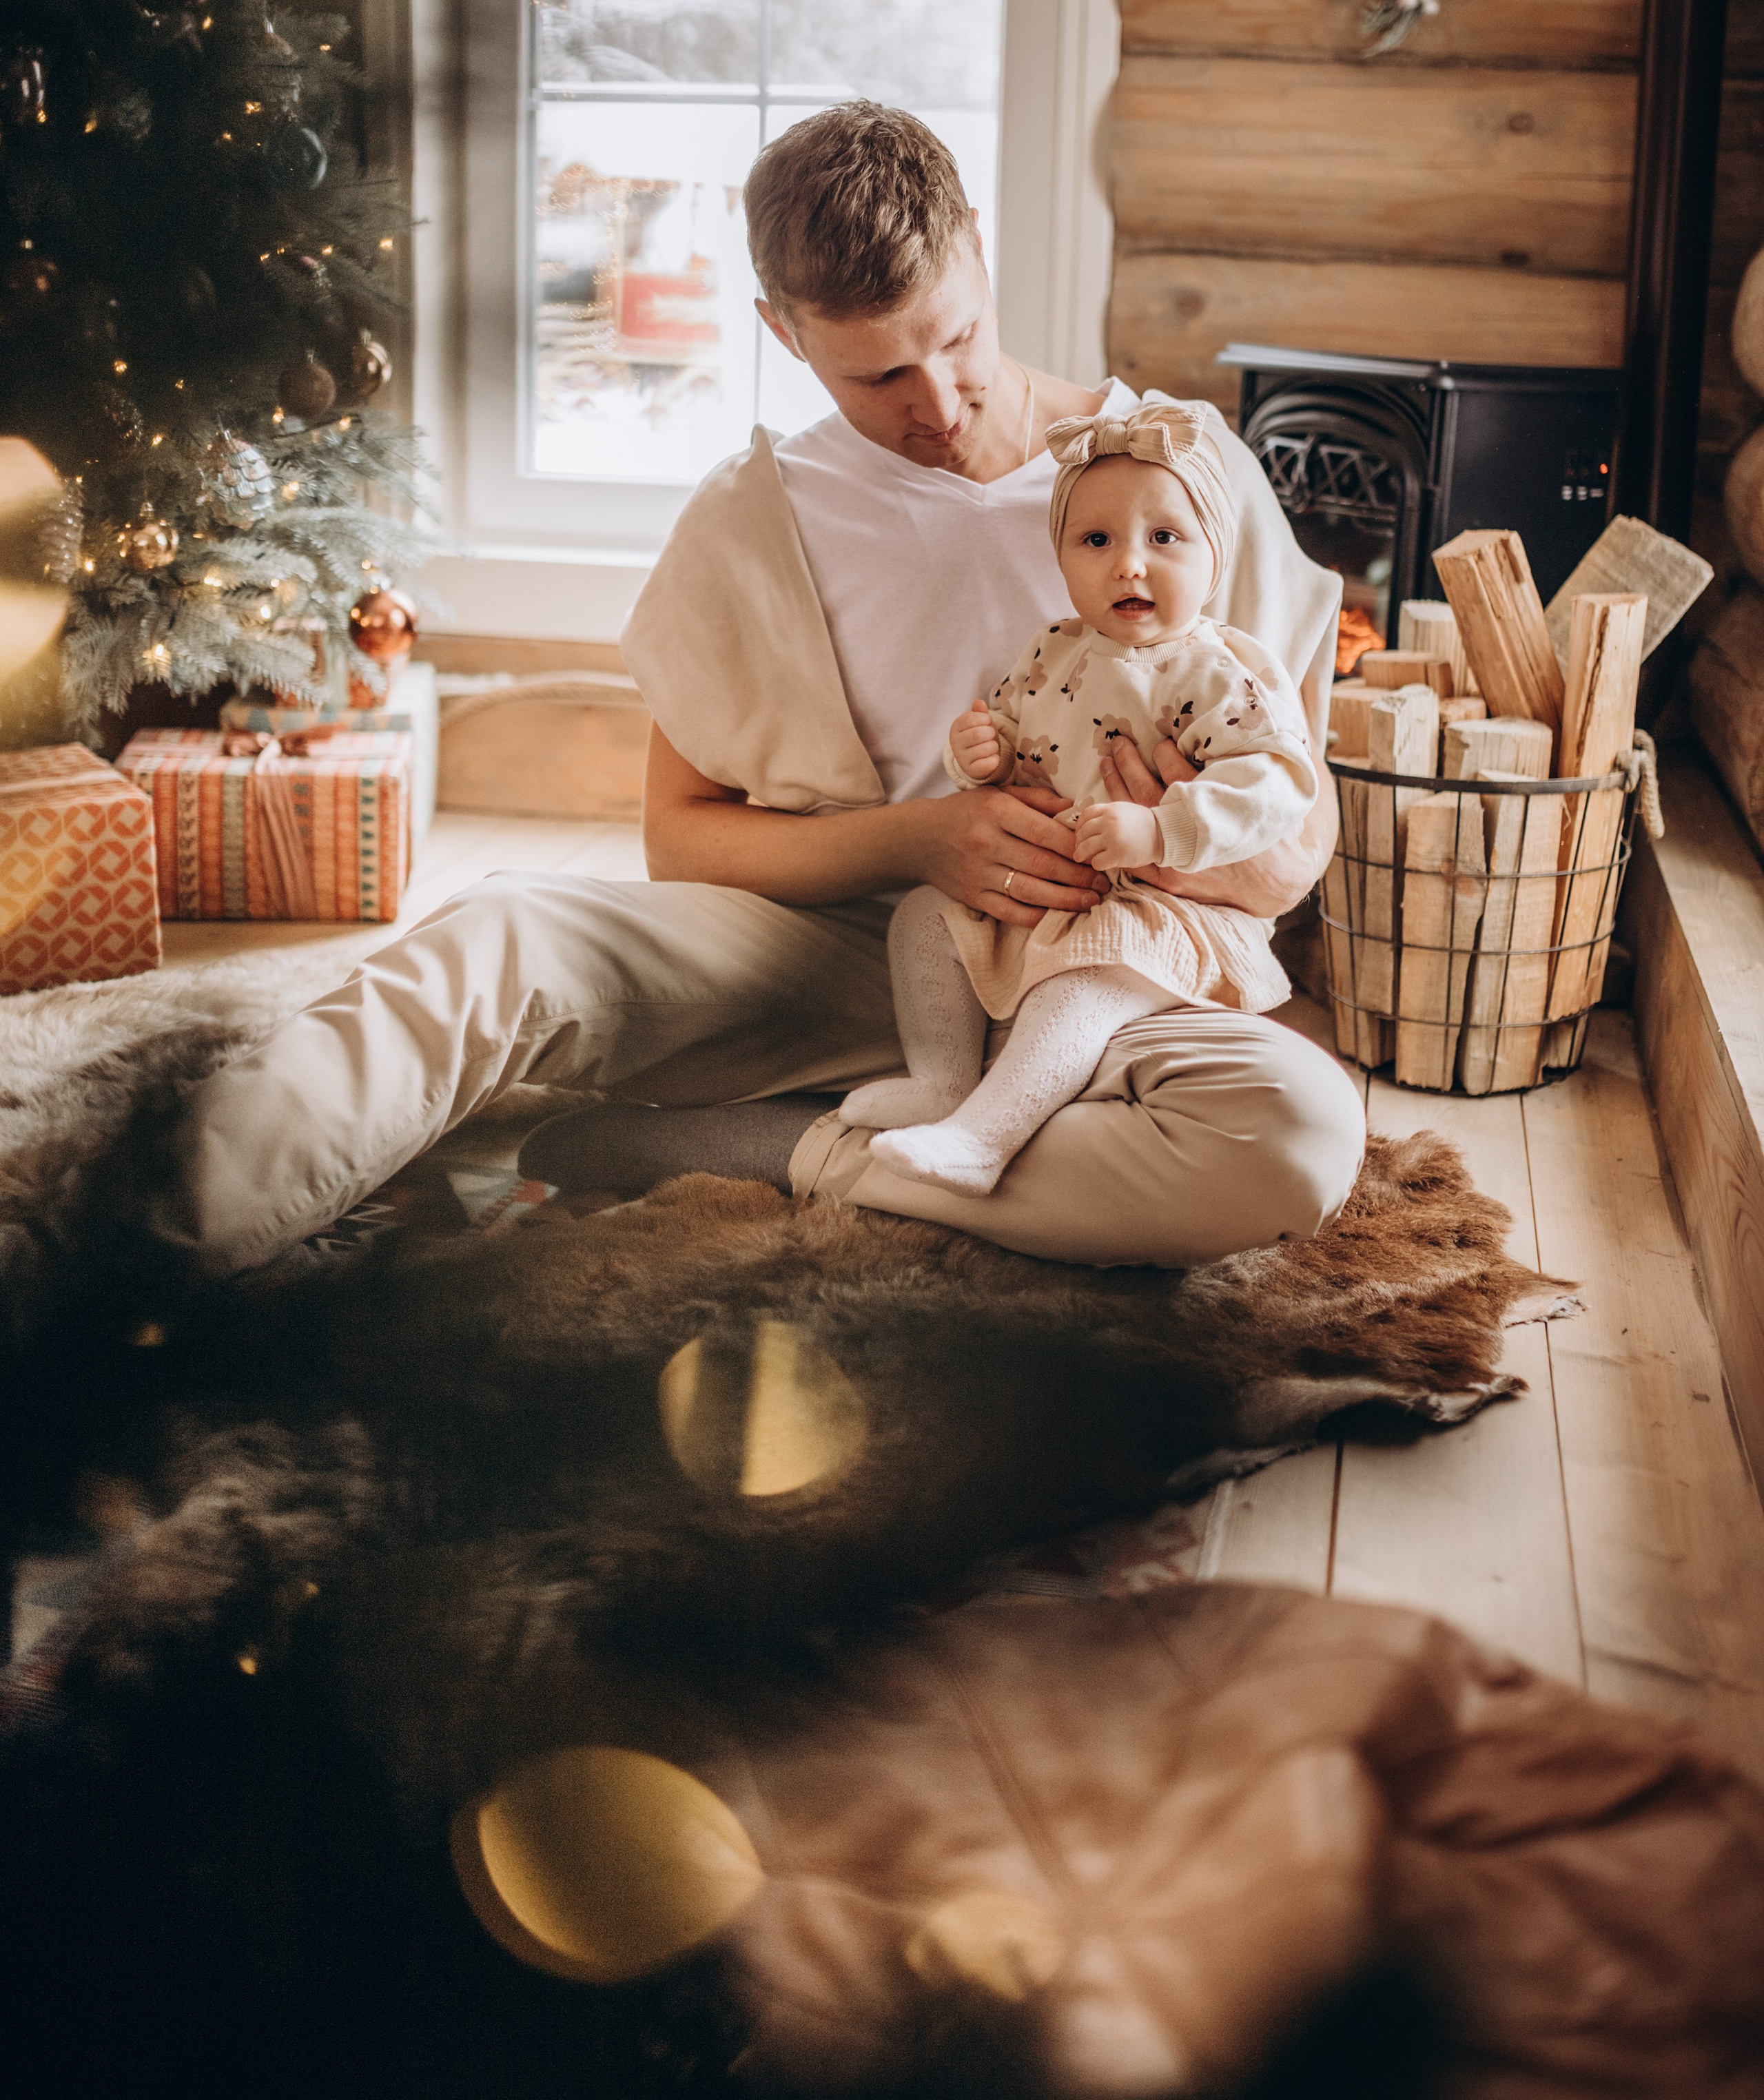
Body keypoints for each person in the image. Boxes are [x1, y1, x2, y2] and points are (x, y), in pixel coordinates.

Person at [174, 105, 1363, 1275]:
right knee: (495, 934)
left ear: (981, 248)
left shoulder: (1177, 474)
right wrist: (923, 842)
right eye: (882, 374)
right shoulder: (756, 520)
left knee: (1297, 1139)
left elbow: (1295, 851)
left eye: (956, 339)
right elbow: (678, 840)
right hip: (849, 957)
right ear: (783, 334)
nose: (940, 406)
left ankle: (786, 1147)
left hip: (1120, 968)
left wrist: (1155, 846)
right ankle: (154, 1244)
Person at [844, 393, 1317, 1197]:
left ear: (1215, 555)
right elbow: (1007, 730)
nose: (1128, 564)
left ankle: (983, 1138)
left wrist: (1164, 830)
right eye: (1096, 541)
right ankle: (943, 1079)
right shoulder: (1051, 651)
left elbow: (1276, 783)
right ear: (1061, 560)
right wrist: (977, 755)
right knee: (922, 919)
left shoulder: (1222, 671)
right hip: (1052, 883)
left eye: (1164, 538)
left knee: (1085, 984)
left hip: (1156, 909)